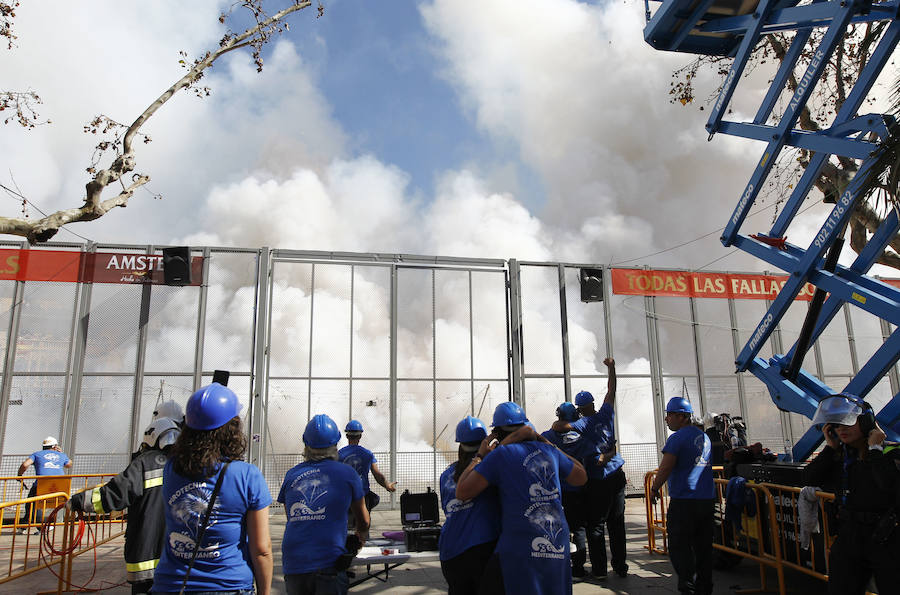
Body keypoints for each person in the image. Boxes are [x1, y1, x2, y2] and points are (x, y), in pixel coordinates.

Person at [151, 383, 272, 595]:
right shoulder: (246, 475)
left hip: (171, 585)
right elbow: (261, 549)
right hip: (229, 586)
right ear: (232, 429)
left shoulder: (171, 468)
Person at [456, 401, 587, 594]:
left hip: (520, 546)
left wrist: (481, 455)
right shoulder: (549, 452)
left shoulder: (499, 456)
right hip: (557, 543)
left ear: (497, 433)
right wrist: (547, 442)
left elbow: (463, 491)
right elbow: (581, 476)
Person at [68, 417, 180, 594]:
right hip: (180, 560)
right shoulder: (188, 465)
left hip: (146, 558)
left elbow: (115, 494)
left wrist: (80, 501)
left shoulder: (145, 463)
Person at [805, 393, 900, 594]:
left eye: (848, 423)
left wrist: (874, 448)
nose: (841, 429)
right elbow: (810, 479)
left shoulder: (890, 453)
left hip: (887, 536)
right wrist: (830, 448)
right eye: (837, 425)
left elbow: (888, 484)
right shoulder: (840, 456)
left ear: (865, 423)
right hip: (850, 534)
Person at [279, 414, 370, 595]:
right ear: (335, 444)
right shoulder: (347, 473)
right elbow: (364, 520)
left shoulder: (291, 475)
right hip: (329, 563)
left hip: (294, 564)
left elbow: (292, 518)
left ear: (306, 444)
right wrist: (360, 535)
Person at [552, 357, 626, 579]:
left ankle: (600, 570)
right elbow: (612, 389)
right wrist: (612, 368)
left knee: (596, 525)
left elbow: (558, 426)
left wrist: (568, 421)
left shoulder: (581, 424)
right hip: (617, 475)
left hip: (599, 479)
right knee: (617, 524)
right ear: (593, 403)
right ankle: (621, 567)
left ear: (579, 409)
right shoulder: (606, 414)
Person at [648, 396, 714, 595]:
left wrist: (654, 488)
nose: (667, 419)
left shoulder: (677, 438)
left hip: (685, 502)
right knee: (703, 547)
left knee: (678, 544)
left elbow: (666, 466)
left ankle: (687, 585)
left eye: (669, 415)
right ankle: (704, 587)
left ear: (681, 416)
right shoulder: (705, 438)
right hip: (707, 500)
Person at [439, 416, 501, 594]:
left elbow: (447, 508)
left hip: (450, 552)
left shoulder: (446, 474)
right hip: (482, 549)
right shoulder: (490, 471)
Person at [542, 403, 589, 578]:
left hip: (556, 491)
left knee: (554, 528)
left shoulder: (548, 436)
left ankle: (556, 564)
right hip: (577, 489)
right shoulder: (581, 438)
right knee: (578, 528)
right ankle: (578, 568)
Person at [338, 420, 396, 516]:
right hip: (362, 496)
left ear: (347, 436)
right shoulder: (367, 454)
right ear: (360, 436)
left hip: (345, 496)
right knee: (363, 527)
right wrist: (387, 485)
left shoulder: (339, 454)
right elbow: (377, 475)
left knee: (345, 526)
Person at [18, 435, 73, 533]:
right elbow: (69, 464)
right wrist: (60, 453)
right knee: (32, 504)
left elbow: (25, 465)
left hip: (42, 483)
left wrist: (19, 476)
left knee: (35, 503)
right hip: (59, 484)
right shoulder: (61, 455)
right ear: (55, 446)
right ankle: (24, 525)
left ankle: (44, 526)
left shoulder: (37, 454)